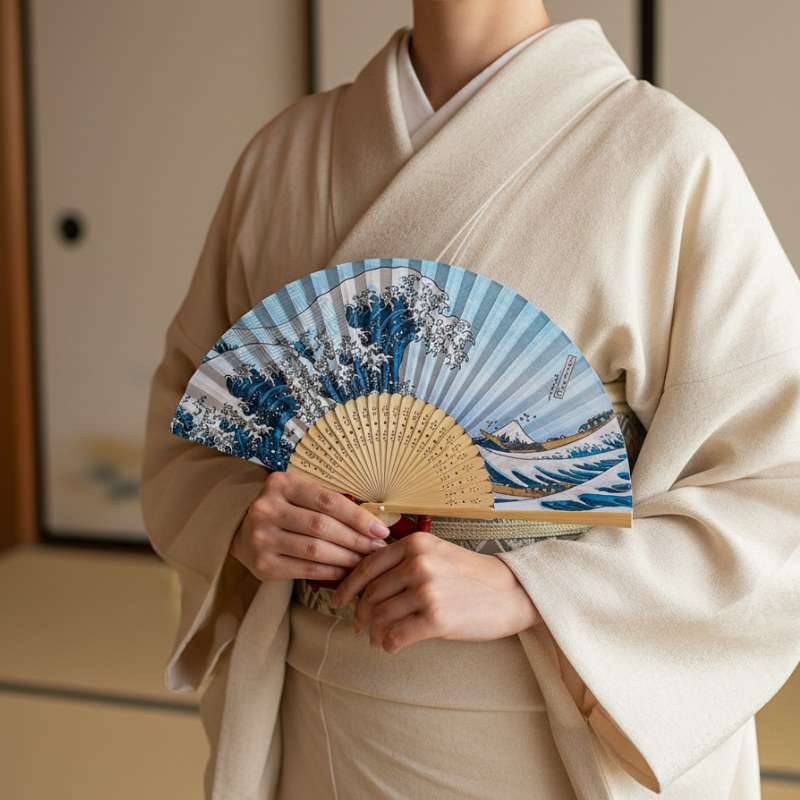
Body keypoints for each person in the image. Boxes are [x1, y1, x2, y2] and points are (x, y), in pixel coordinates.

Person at [142, 1, 800, 798]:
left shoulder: (667, 159)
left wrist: (533, 589)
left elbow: (778, 488)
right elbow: (193, 426)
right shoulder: (284, 156)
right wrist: (244, 518)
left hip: (533, 732)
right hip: (317, 717)